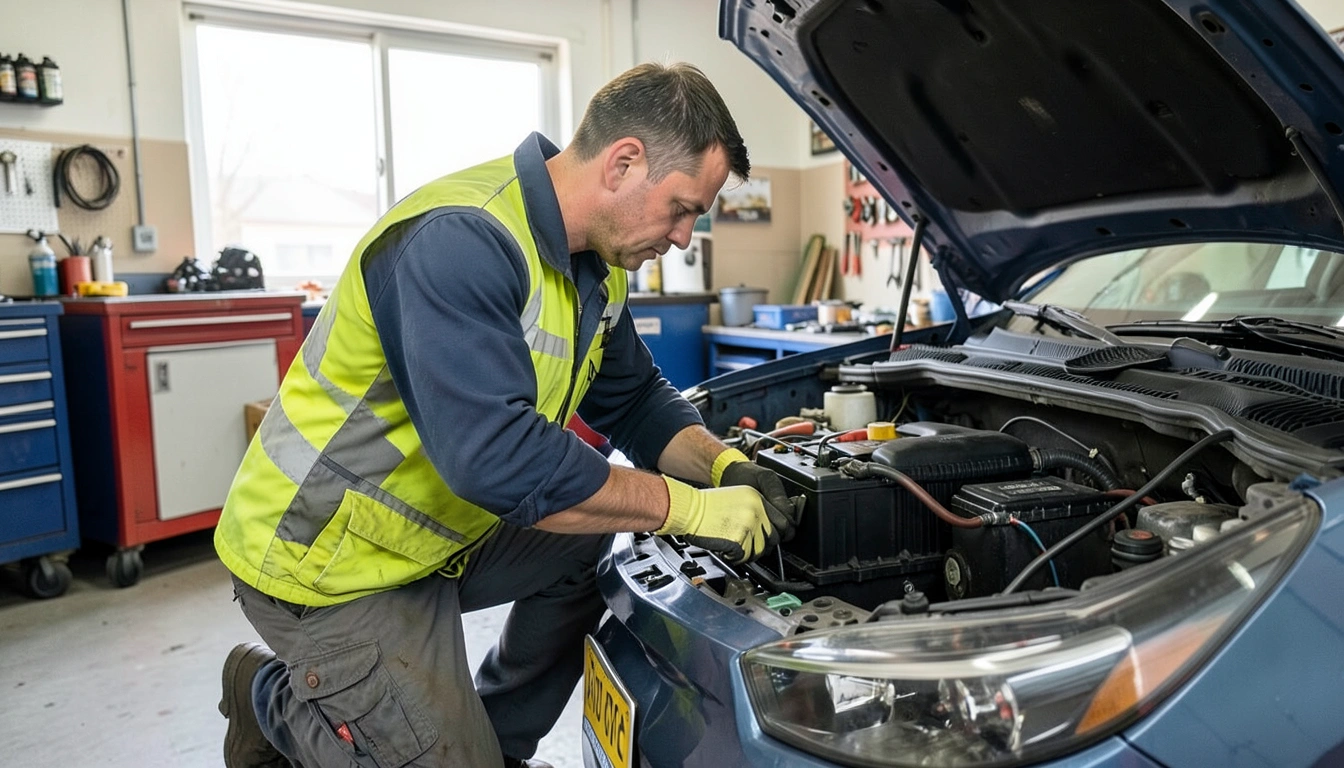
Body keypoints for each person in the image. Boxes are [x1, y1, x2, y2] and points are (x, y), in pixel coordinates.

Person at [215, 61, 796, 768]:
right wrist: (688, 508)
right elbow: (501, 461)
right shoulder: (461, 240)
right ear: (623, 163)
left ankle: (495, 742)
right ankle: (263, 692)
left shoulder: (598, 265)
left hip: (436, 532)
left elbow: (636, 400)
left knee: (596, 542)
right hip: (328, 557)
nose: (681, 237)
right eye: (681, 208)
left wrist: (726, 464)